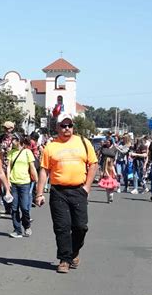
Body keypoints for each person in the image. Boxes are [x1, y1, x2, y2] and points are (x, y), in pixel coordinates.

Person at [35, 113, 98, 273]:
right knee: (62, 227)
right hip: (59, 191)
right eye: (63, 126)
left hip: (79, 190)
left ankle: (74, 251)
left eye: (69, 125)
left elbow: (93, 165)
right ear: (57, 127)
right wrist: (39, 193)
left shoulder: (83, 142)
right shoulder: (51, 147)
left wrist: (87, 188)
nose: (66, 128)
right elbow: (44, 170)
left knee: (80, 227)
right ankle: (64, 259)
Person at [7, 133, 38, 238]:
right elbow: (8, 168)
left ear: (19, 140)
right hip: (14, 183)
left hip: (25, 183)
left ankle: (27, 225)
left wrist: (37, 181)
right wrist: (7, 181)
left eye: (14, 139)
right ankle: (17, 230)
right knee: (14, 208)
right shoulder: (11, 152)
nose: (12, 141)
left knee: (24, 207)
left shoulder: (27, 152)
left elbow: (32, 167)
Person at [0, 120, 15, 216]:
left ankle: (9, 206)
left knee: (9, 186)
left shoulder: (15, 139)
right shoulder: (0, 138)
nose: (7, 130)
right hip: (1, 163)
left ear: (12, 128)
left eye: (8, 128)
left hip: (11, 165)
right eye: (5, 128)